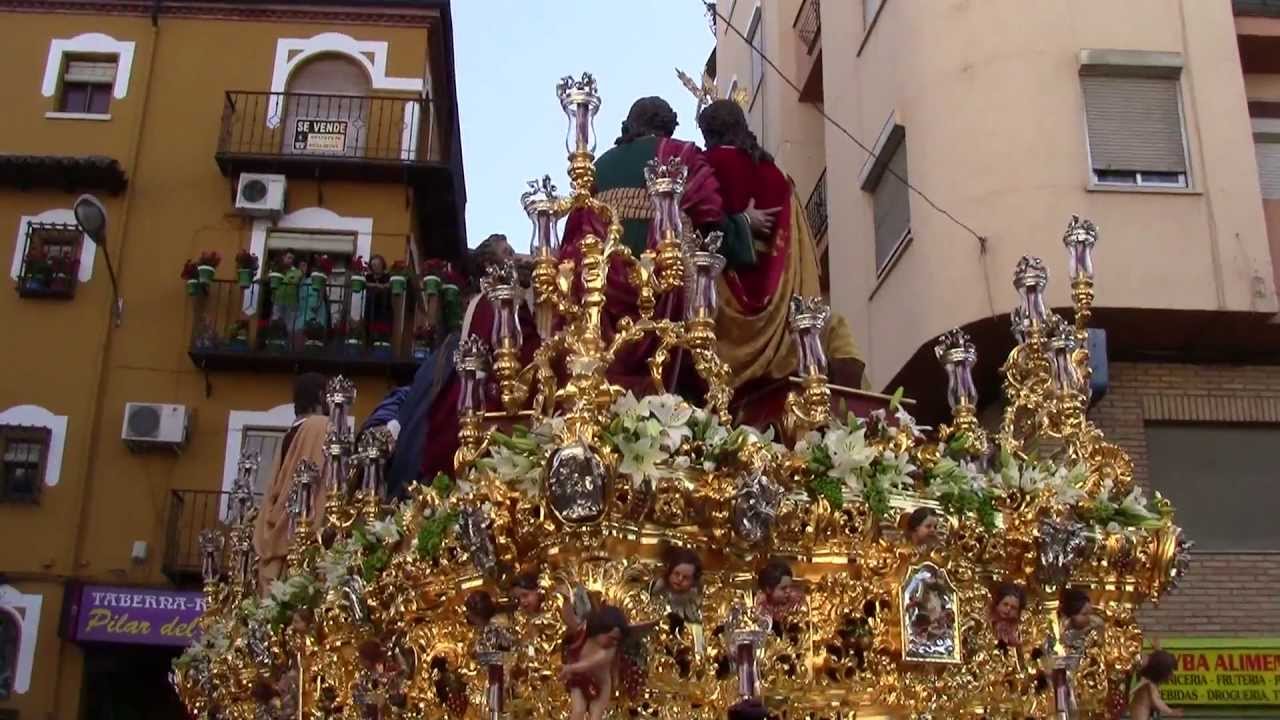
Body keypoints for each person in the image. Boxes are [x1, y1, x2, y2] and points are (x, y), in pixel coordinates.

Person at [697, 98, 864, 389]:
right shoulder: (779, 178)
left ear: (707, 134)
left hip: (720, 317)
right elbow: (800, 255)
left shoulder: (702, 171)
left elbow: (694, 234)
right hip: (780, 317)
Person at [253, 373, 331, 591]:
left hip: (276, 526)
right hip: (301, 530)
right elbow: (322, 481)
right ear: (321, 396)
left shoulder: (291, 433)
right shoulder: (320, 427)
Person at [560, 605, 630, 720]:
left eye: (617, 640)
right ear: (601, 629)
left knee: (595, 716)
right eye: (611, 637)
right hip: (579, 679)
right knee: (578, 710)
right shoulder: (583, 633)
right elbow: (569, 619)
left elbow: (589, 663)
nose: (613, 642)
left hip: (601, 685)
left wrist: (570, 668)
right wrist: (566, 600)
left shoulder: (609, 651)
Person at [651, 547, 703, 623]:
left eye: (686, 577)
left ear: (693, 581)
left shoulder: (695, 604)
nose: (680, 579)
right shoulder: (654, 592)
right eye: (676, 574)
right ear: (669, 572)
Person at [1130, 649, 1182, 720]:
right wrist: (1171, 711)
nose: (1172, 676)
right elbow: (1157, 701)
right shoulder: (1149, 685)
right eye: (1170, 672)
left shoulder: (1147, 681)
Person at [755, 559, 801, 624]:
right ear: (768, 589)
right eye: (783, 588)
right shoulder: (760, 606)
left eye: (790, 586)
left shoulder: (796, 601)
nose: (789, 591)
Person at [990, 582, 1026, 648]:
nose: (1008, 610)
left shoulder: (1018, 633)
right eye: (1005, 604)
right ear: (997, 604)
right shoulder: (987, 622)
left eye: (1013, 608)